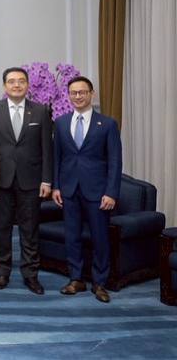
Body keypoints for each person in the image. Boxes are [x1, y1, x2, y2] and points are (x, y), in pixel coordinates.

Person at [0, 67, 52, 295]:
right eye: (11, 82)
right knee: (1, 228)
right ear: (4, 86)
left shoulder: (41, 111)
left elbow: (47, 149)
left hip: (31, 181)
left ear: (28, 85)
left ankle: (31, 274)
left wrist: (47, 180)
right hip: (1, 180)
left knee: (29, 229)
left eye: (21, 81)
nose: (16, 85)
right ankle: (2, 271)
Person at [53, 76, 121, 303]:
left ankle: (100, 283)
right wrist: (56, 186)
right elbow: (57, 158)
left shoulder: (108, 124)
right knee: (71, 236)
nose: (78, 96)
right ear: (69, 95)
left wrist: (111, 192)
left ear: (92, 94)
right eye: (74, 92)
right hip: (69, 189)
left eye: (83, 92)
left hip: (98, 191)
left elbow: (115, 161)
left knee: (100, 238)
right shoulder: (61, 123)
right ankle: (76, 279)